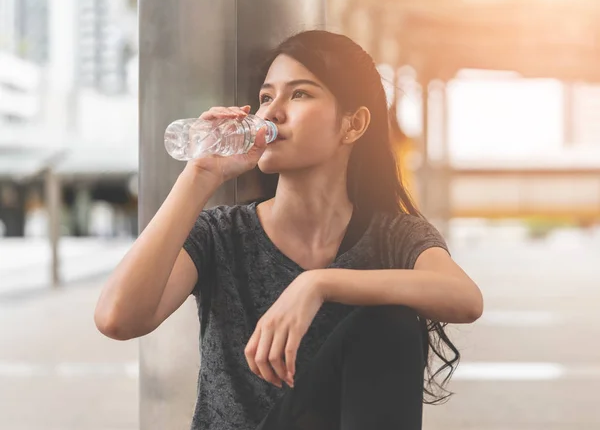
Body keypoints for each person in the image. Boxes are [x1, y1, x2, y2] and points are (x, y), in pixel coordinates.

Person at [94, 30, 484, 430]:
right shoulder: (223, 233)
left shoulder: (393, 235)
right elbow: (117, 319)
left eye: (299, 94)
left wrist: (318, 284)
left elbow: (465, 299)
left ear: (353, 125)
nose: (272, 113)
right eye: (266, 97)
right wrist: (199, 175)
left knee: (390, 324)